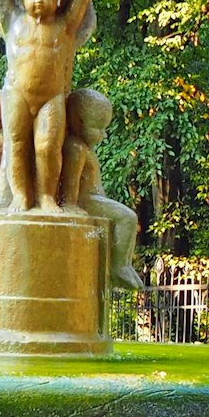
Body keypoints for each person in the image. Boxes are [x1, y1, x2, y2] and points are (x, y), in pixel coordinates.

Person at [0, 0, 105, 211]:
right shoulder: (13, 21)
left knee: (47, 148)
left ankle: (46, 196)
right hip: (16, 94)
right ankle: (20, 196)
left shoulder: (65, 26)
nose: (38, 1)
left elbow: (80, 1)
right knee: (17, 146)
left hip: (51, 98)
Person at [64, 88, 143, 288]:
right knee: (127, 217)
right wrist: (71, 204)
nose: (103, 135)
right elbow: (70, 183)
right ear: (77, 120)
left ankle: (121, 263)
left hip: (92, 198)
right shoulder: (76, 148)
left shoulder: (83, 148)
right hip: (85, 200)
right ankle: (119, 266)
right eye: (98, 127)